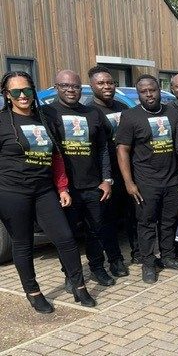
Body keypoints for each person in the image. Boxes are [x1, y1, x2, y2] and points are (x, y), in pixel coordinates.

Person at [0, 71, 96, 312]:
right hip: (11, 192)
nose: (23, 96)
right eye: (16, 92)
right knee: (22, 244)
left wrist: (62, 187)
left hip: (44, 191)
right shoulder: (1, 122)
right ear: (7, 95)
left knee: (65, 238)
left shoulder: (44, 118)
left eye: (27, 90)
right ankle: (33, 292)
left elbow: (57, 157)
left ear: (34, 92)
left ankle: (78, 285)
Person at [43, 70, 125, 289]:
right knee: (67, 236)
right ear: (57, 87)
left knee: (95, 231)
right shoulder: (47, 113)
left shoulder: (92, 113)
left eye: (75, 86)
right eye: (65, 86)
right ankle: (71, 274)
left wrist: (107, 179)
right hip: (64, 189)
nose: (71, 90)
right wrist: (59, 186)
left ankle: (98, 267)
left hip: (93, 186)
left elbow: (103, 150)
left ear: (82, 88)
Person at [116, 74, 178, 284]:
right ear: (138, 93)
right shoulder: (130, 116)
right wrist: (129, 183)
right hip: (145, 182)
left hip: (171, 180)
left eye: (153, 90)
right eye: (144, 91)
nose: (149, 94)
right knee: (146, 223)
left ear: (160, 90)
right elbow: (122, 150)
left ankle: (167, 256)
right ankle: (148, 263)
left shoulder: (173, 113)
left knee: (169, 221)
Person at [87, 65, 138, 267]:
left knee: (133, 215)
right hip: (105, 175)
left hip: (128, 170)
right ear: (92, 85)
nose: (107, 86)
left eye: (110, 82)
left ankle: (138, 253)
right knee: (108, 219)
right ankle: (115, 259)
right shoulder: (90, 112)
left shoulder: (123, 108)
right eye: (101, 83)